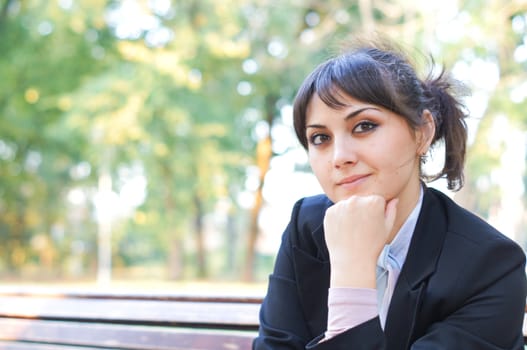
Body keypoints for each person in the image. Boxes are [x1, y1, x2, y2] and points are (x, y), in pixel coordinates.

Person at [252, 37, 527, 350]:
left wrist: (352, 272)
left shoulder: (490, 266)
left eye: (364, 125)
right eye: (320, 138)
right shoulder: (308, 226)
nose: (339, 156)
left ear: (422, 132)